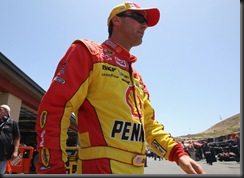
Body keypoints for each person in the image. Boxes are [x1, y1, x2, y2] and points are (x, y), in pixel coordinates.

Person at [35, 1, 205, 174]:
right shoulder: (88, 53)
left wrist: (178, 154)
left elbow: (149, 127)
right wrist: (52, 169)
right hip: (99, 169)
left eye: (145, 21)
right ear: (116, 20)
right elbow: (55, 109)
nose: (144, 24)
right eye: (139, 17)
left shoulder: (137, 77)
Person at [0, 104, 21, 174]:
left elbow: (17, 138)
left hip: (3, 154)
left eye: (0, 110)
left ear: (7, 112)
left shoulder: (12, 123)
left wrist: (15, 151)